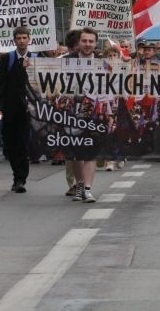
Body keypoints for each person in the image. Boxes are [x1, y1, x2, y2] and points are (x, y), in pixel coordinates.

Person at [0, 26, 37, 193]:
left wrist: (29, 68)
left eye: (24, 37)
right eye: (19, 38)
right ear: (15, 40)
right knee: (10, 145)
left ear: (29, 39)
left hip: (28, 110)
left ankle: (20, 179)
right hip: (10, 109)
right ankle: (15, 173)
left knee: (22, 144)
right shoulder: (7, 59)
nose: (22, 41)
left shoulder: (35, 58)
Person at [64, 27, 102, 202]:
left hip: (95, 113)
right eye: (84, 41)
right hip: (72, 113)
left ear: (96, 43)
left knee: (91, 151)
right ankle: (79, 184)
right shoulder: (66, 61)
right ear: (79, 42)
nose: (87, 44)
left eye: (91, 41)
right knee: (76, 153)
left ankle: (87, 189)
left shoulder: (104, 62)